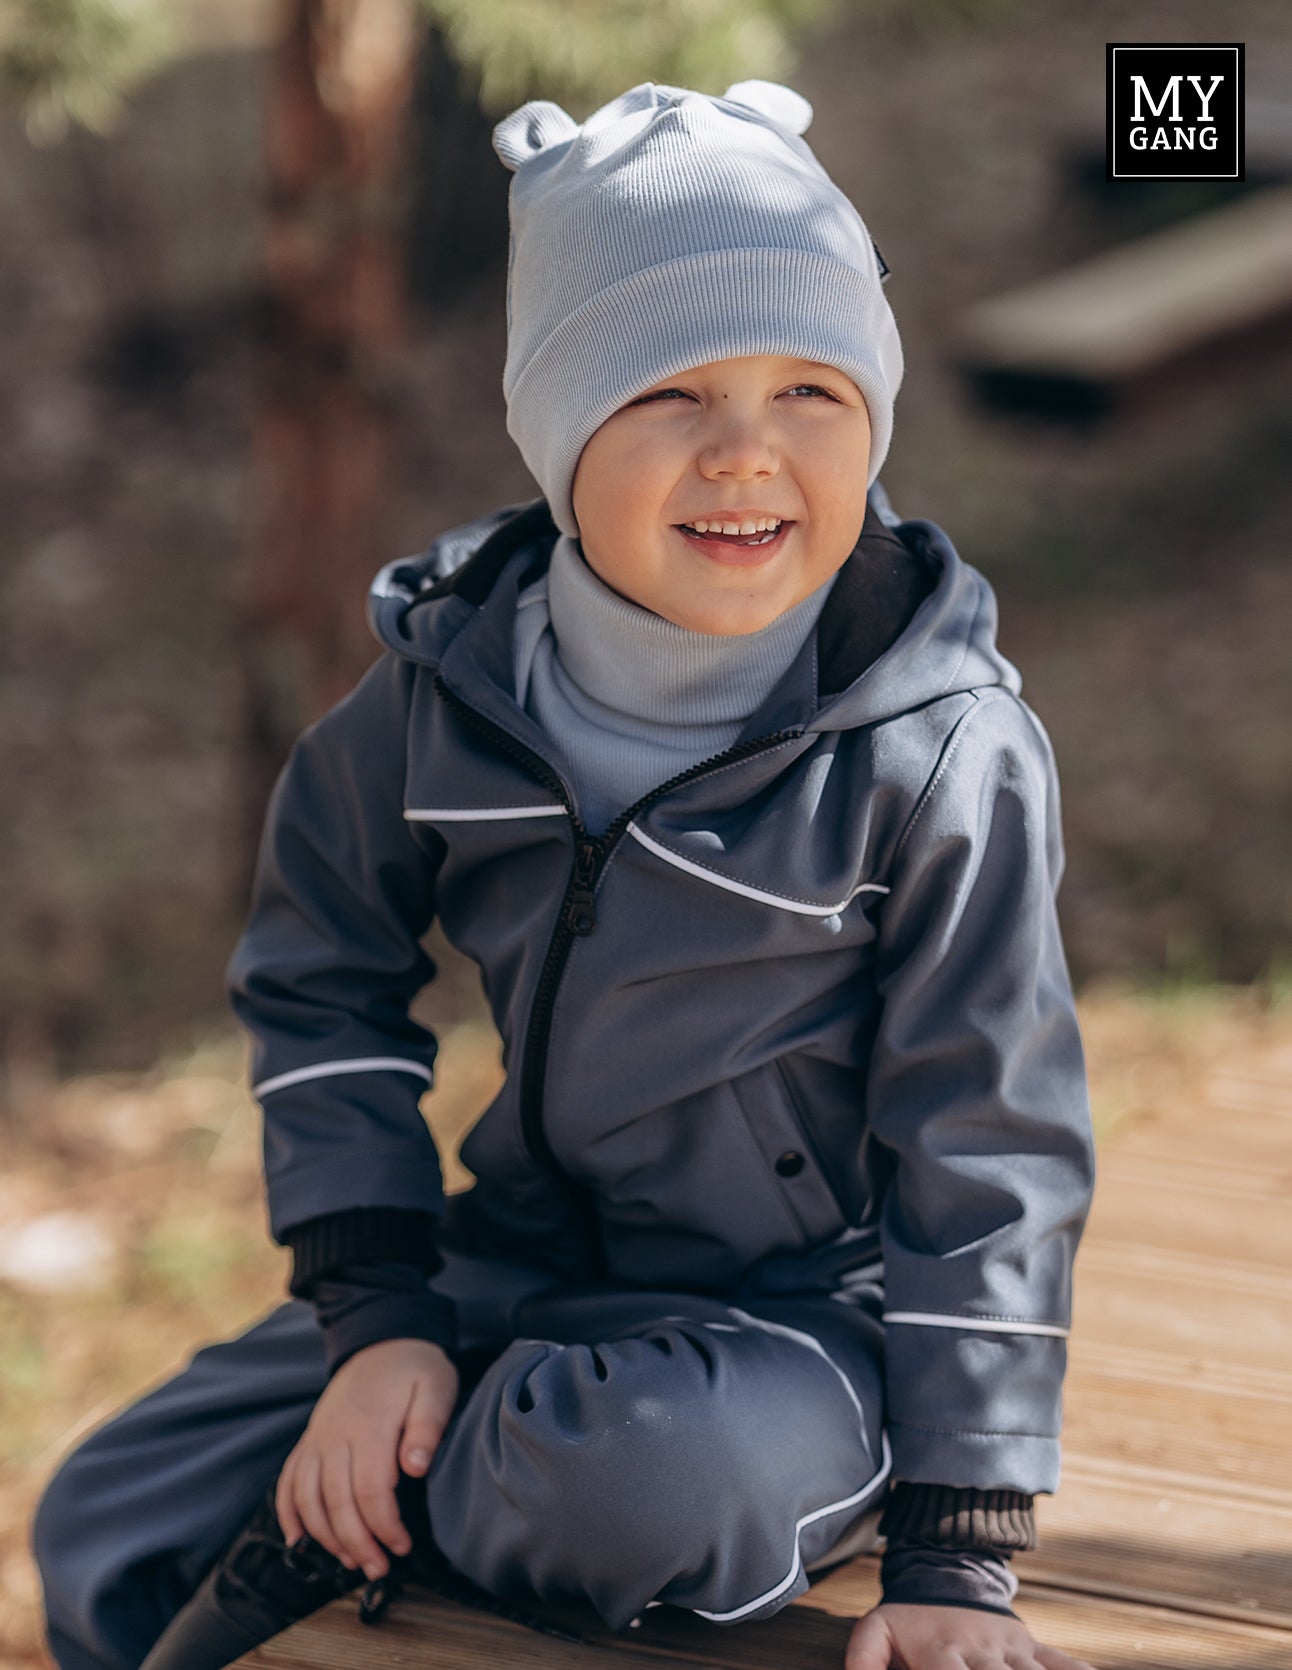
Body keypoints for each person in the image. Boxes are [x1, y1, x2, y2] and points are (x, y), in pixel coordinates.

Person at [33, 78, 1097, 1670]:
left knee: (653, 1480)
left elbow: (991, 1132)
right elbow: (320, 976)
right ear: (555, 430)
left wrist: (957, 1548)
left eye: (812, 389)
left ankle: (382, 1502)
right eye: (670, 395)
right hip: (511, 1259)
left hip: (798, 1320)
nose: (748, 454)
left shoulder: (937, 752)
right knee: (102, 1513)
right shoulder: (444, 695)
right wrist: (384, 1320)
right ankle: (421, 1445)